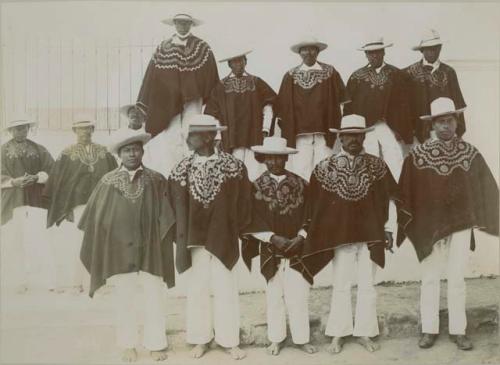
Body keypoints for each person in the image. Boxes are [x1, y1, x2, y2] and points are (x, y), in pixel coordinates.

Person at [397, 97, 499, 351]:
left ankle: (458, 330)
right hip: (428, 227)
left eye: (450, 121)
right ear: (432, 124)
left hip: (461, 225)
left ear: (456, 122)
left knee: (457, 278)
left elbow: (487, 187)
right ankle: (429, 329)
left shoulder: (470, 153)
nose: (445, 126)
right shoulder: (417, 156)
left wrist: (480, 216)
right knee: (430, 277)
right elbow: (405, 194)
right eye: (440, 121)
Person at [301, 114, 398, 354]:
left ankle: (365, 332)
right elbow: (314, 204)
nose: (353, 139)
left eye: (358, 134)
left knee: (367, 285)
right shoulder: (325, 167)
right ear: (340, 138)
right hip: (339, 236)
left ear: (364, 136)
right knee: (341, 284)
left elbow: (390, 200)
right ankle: (338, 333)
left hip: (371, 233)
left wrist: (388, 228)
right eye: (348, 135)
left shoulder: (377, 165)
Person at [78, 128, 175, 362]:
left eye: (136, 149)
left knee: (154, 293)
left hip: (150, 246)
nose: (132, 154)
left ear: (143, 151)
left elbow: (168, 215)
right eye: (127, 150)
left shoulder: (156, 179)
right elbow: (95, 217)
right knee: (125, 297)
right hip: (119, 249)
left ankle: (155, 343)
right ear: (120, 154)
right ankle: (128, 344)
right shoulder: (108, 181)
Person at [166, 114, 251, 360]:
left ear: (207, 137)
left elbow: (244, 202)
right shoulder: (182, 168)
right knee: (198, 288)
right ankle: (200, 339)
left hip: (224, 236)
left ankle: (229, 340)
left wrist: (234, 228)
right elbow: (174, 204)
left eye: (192, 135)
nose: (188, 139)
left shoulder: (234, 166)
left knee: (226, 287)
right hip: (194, 239)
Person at [242, 136, 316, 356]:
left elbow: (313, 214)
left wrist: (301, 237)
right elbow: (249, 218)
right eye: (269, 158)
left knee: (298, 294)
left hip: (298, 247)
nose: (273, 162)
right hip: (270, 248)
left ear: (285, 158)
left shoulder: (302, 185)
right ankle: (276, 339)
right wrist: (272, 238)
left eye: (278, 157)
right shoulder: (255, 187)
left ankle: (302, 338)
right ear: (263, 159)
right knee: (274, 295)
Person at [130, 13, 219, 178]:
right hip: (167, 103)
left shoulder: (202, 47)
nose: (182, 26)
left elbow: (211, 74)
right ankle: (171, 175)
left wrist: (203, 94)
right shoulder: (163, 48)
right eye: (179, 23)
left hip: (193, 100)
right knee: (170, 138)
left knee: (192, 133)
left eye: (186, 23)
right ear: (174, 24)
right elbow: (151, 77)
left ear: (191, 25)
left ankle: (193, 174)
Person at [43, 116, 117, 293]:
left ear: (93, 130)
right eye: (80, 129)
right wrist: (63, 205)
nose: (84, 132)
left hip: (102, 203)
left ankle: (99, 282)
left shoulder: (104, 152)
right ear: (74, 131)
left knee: (101, 239)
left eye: (88, 128)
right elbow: (58, 181)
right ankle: (77, 282)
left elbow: (115, 175)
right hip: (78, 205)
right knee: (79, 241)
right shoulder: (66, 153)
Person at [275, 36, 348, 181]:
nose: (309, 53)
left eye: (312, 49)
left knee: (326, 168)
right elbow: (283, 108)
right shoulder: (290, 75)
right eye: (305, 50)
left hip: (325, 130)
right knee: (302, 170)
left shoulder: (330, 72)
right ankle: (305, 202)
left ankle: (323, 202)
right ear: (299, 53)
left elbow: (343, 101)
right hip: (300, 133)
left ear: (318, 51)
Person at [204, 48, 276, 180]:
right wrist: (218, 136)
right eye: (235, 62)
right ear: (229, 64)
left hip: (254, 137)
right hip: (231, 138)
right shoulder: (221, 86)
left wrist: (265, 128)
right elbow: (212, 113)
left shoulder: (256, 82)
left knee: (255, 174)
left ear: (246, 62)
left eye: (241, 60)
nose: (239, 64)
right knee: (233, 174)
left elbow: (269, 104)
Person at [1, 116, 55, 292]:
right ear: (10, 131)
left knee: (37, 238)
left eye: (24, 128)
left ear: (28, 129)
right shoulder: (2, 151)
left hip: (35, 199)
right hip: (11, 200)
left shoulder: (39, 149)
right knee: (13, 239)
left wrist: (37, 177)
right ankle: (16, 281)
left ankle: (42, 280)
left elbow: (52, 169)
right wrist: (12, 182)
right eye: (17, 129)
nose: (21, 132)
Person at [344, 36, 409, 180]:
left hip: (389, 124)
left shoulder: (396, 74)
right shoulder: (357, 77)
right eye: (370, 53)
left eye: (378, 52)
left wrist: (400, 129)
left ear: (384, 52)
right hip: (366, 127)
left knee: (394, 156)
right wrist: (353, 130)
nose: (374, 56)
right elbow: (348, 107)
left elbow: (405, 104)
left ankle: (396, 194)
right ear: (365, 54)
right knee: (368, 157)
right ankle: (370, 192)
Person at [403, 29, 466, 143]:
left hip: (446, 128)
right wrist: (407, 130)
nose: (434, 51)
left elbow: (458, 102)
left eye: (437, 48)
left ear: (440, 48)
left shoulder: (448, 71)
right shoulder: (409, 73)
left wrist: (459, 131)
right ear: (422, 50)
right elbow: (405, 105)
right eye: (429, 48)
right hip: (419, 129)